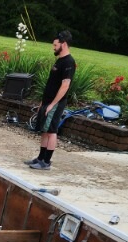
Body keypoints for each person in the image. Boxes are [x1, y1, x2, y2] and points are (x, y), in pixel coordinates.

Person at [25, 31, 76, 171]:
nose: (53, 47)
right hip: (48, 101)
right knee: (44, 130)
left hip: (56, 103)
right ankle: (40, 158)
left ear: (63, 44)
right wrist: (43, 102)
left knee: (52, 130)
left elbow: (65, 85)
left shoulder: (69, 62)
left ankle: (46, 162)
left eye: (55, 45)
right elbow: (52, 83)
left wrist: (53, 104)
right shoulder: (59, 60)